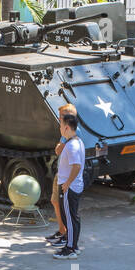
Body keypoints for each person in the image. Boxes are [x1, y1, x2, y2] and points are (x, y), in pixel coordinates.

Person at [51, 113, 85, 259]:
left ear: (66, 128)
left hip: (69, 188)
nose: (59, 128)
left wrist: (67, 183)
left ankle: (69, 248)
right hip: (71, 186)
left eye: (60, 126)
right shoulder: (77, 141)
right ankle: (74, 246)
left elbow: (76, 166)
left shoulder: (72, 146)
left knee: (69, 219)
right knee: (72, 217)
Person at [47, 103, 79, 245]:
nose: (59, 119)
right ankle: (62, 230)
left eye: (62, 116)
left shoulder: (71, 134)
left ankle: (67, 237)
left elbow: (60, 150)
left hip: (67, 177)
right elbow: (58, 149)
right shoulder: (66, 133)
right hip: (61, 173)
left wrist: (68, 182)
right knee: (55, 201)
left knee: (67, 210)